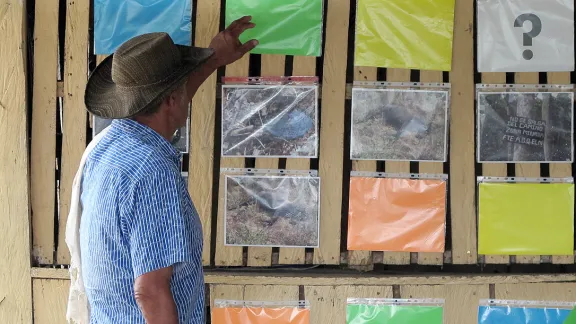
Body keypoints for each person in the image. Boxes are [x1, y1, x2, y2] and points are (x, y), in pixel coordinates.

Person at [68, 16, 258, 324]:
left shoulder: (108, 146)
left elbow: (167, 105)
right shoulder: (152, 170)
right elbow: (150, 292)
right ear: (172, 99)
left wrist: (212, 61)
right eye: (182, 87)